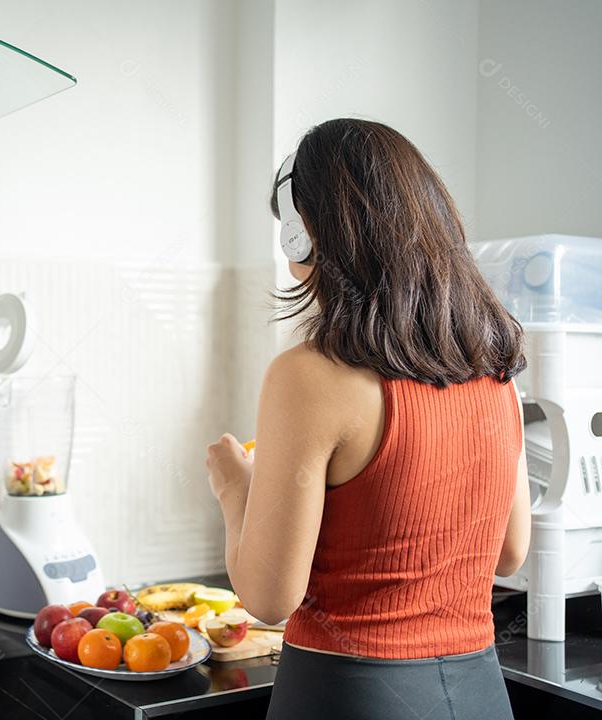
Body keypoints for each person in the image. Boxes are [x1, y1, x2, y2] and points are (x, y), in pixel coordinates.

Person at [207, 118, 529, 720]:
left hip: (346, 695)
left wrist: (234, 491)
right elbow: (509, 554)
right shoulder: (496, 370)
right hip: (480, 694)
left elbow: (270, 598)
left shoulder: (307, 376)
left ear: (302, 236)